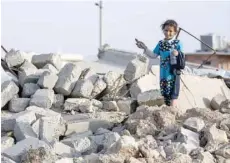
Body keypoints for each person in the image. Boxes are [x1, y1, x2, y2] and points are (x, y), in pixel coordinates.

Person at [135, 19, 183, 107]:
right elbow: (154, 55)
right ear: (163, 30)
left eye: (170, 31)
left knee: (173, 93)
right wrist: (144, 48)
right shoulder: (161, 43)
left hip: (173, 72)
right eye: (166, 30)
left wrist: (177, 54)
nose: (168, 33)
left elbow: (182, 57)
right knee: (164, 92)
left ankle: (173, 111)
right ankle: (166, 112)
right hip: (163, 73)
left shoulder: (177, 43)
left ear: (175, 32)